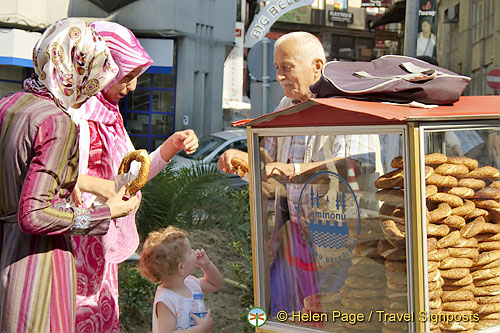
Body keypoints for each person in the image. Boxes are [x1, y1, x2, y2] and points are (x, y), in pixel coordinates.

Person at [0, 18, 139, 333]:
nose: (94, 90)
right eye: (94, 76)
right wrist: (105, 213)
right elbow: (34, 215)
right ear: (79, 70)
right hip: (37, 265)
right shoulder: (57, 122)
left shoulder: (9, 105)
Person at [67, 21, 199, 332]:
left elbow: (130, 178)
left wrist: (170, 146)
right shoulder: (70, 115)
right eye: (127, 77)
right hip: (73, 244)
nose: (133, 87)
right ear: (101, 68)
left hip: (100, 244)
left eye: (137, 78)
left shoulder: (110, 117)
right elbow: (48, 180)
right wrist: (98, 190)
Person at [138, 226, 222, 332]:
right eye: (190, 252)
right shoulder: (166, 299)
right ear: (181, 267)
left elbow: (214, 283)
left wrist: (207, 265)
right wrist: (200, 329)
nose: (194, 252)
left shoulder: (191, 284)